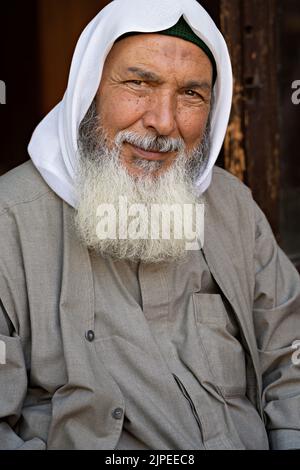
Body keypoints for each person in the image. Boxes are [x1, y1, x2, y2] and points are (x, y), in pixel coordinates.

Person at [0, 0, 299, 451]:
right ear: (89, 88)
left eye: (191, 94)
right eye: (140, 83)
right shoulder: (10, 220)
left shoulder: (232, 207)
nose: (163, 121)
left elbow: (289, 358)